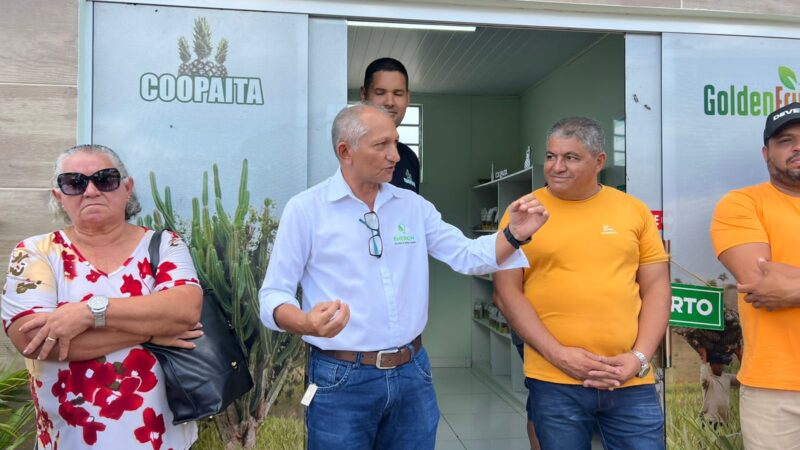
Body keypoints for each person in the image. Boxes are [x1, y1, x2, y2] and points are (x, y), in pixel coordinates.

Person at [258, 104, 549, 450]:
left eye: (396, 143)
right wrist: (305, 322)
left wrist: (513, 234)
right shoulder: (306, 210)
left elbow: (468, 256)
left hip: (413, 373)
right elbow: (273, 295)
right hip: (341, 378)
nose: (395, 155)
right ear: (345, 151)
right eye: (381, 145)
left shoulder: (412, 206)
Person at [1, 144, 203, 449]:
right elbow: (36, 341)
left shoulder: (165, 245)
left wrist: (87, 313)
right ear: (59, 196)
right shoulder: (35, 252)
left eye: (105, 179)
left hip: (161, 438)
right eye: (74, 183)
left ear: (127, 188)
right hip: (69, 438)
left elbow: (185, 310)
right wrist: (152, 331)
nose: (91, 191)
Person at [493, 116, 671, 449]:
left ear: (599, 161)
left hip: (630, 380)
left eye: (571, 158)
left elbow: (657, 290)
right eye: (550, 156)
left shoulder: (633, 211)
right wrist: (559, 355)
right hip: (555, 379)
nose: (556, 167)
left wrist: (639, 358)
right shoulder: (523, 212)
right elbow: (505, 292)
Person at [710, 102, 800, 449]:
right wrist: (777, 286)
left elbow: (781, 289)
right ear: (766, 152)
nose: (797, 147)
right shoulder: (741, 204)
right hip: (773, 391)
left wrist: (791, 287)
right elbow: (760, 284)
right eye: (785, 140)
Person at [360, 57, 420, 193]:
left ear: (408, 97)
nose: (389, 102)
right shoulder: (349, 151)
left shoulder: (409, 158)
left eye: (398, 94)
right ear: (363, 95)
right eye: (380, 93)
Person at [700, 353, 740, 428]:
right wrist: (704, 356)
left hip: (724, 421)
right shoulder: (709, 379)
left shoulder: (727, 378)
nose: (720, 366)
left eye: (721, 364)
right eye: (717, 364)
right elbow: (704, 376)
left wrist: (739, 355)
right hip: (710, 420)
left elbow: (742, 379)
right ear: (711, 365)